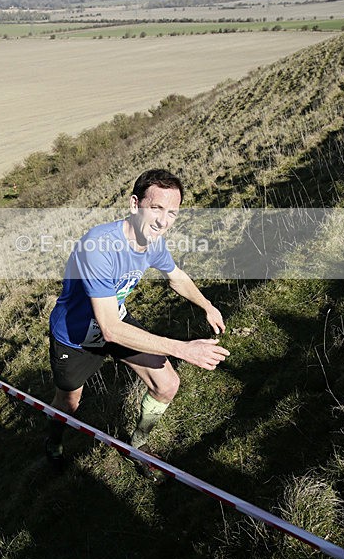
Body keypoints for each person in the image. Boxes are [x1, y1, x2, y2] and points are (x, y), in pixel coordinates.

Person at [46, 168, 229, 479]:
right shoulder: (100, 246)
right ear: (135, 205)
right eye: (156, 208)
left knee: (167, 384)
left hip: (112, 319)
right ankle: (53, 444)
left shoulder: (153, 241)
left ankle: (139, 444)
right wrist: (181, 349)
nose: (163, 220)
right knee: (69, 400)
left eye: (172, 212)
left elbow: (176, 278)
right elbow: (110, 330)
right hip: (75, 336)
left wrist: (207, 305)